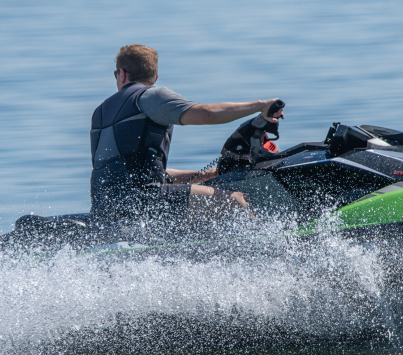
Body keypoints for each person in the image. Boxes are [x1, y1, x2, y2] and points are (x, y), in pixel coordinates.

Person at [90, 44, 284, 224]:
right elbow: (207, 113)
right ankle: (265, 251)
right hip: (144, 201)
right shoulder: (150, 97)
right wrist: (260, 105)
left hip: (106, 208)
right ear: (155, 77)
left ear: (121, 74)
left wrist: (206, 174)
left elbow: (135, 172)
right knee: (237, 201)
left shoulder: (99, 114)